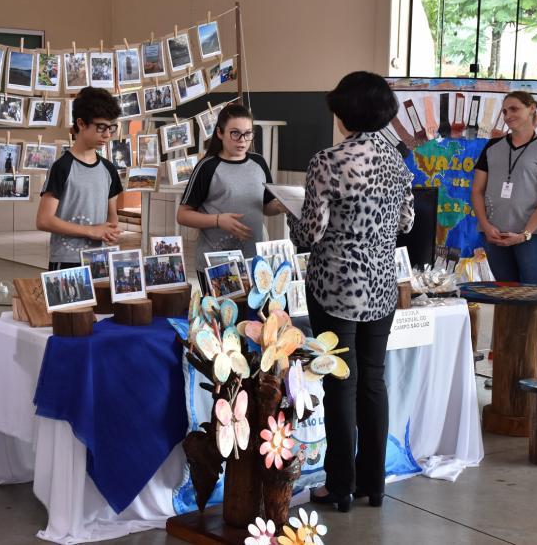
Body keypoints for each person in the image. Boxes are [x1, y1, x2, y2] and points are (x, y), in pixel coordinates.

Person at [288, 71, 414, 512]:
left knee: (341, 384)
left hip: (336, 287)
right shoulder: (397, 160)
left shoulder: (329, 161)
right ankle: (373, 484)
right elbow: (406, 224)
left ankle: (339, 486)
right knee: (373, 382)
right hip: (381, 287)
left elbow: (309, 233)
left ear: (347, 112)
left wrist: (294, 223)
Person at [471, 91, 537, 377]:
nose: (508, 115)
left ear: (531, 110)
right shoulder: (492, 148)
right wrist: (485, 225)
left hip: (530, 239)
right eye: (504, 111)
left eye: (514, 109)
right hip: (495, 237)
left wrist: (525, 234)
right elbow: (476, 191)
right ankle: (508, 369)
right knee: (509, 303)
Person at [177, 104, 287, 268]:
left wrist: (280, 205)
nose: (242, 140)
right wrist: (218, 220)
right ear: (220, 133)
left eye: (248, 133)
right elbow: (183, 215)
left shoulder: (259, 163)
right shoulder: (207, 166)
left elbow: (266, 207)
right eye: (235, 133)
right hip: (215, 264)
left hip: (253, 262)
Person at [36, 87, 124, 269]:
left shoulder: (109, 169)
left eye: (111, 128)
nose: (107, 135)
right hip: (67, 261)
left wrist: (110, 232)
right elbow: (44, 220)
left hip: (100, 260)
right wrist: (91, 231)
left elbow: (112, 217)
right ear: (81, 124)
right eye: (101, 127)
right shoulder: (62, 167)